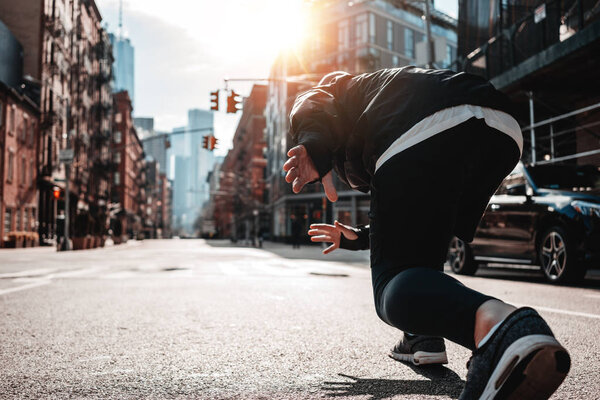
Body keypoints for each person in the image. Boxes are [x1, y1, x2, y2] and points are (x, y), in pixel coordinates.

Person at [283, 67, 570, 399]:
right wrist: (359, 236)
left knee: (390, 287)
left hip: (419, 123)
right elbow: (406, 222)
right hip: (499, 128)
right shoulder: (378, 90)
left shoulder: (334, 87)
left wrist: (314, 147)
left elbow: (311, 103)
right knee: (420, 263)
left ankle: (501, 327)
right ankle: (422, 337)